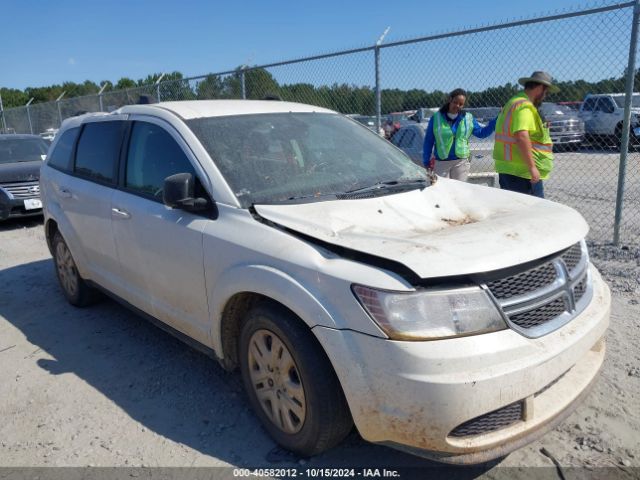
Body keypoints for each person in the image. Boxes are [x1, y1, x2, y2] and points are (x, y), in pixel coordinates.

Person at [493, 71, 559, 198]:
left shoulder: (513, 102)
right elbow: (521, 136)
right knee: (533, 213)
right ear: (540, 88)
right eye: (546, 92)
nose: (545, 96)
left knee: (514, 212)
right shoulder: (525, 106)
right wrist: (532, 167)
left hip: (508, 168)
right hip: (523, 173)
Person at [422, 88, 496, 181]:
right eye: (455, 102)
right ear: (450, 100)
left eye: (461, 104)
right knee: (443, 191)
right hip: (441, 162)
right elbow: (429, 141)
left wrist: (495, 122)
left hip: (461, 162)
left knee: (459, 191)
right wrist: (426, 161)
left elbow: (481, 133)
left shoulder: (468, 118)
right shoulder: (436, 118)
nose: (457, 105)